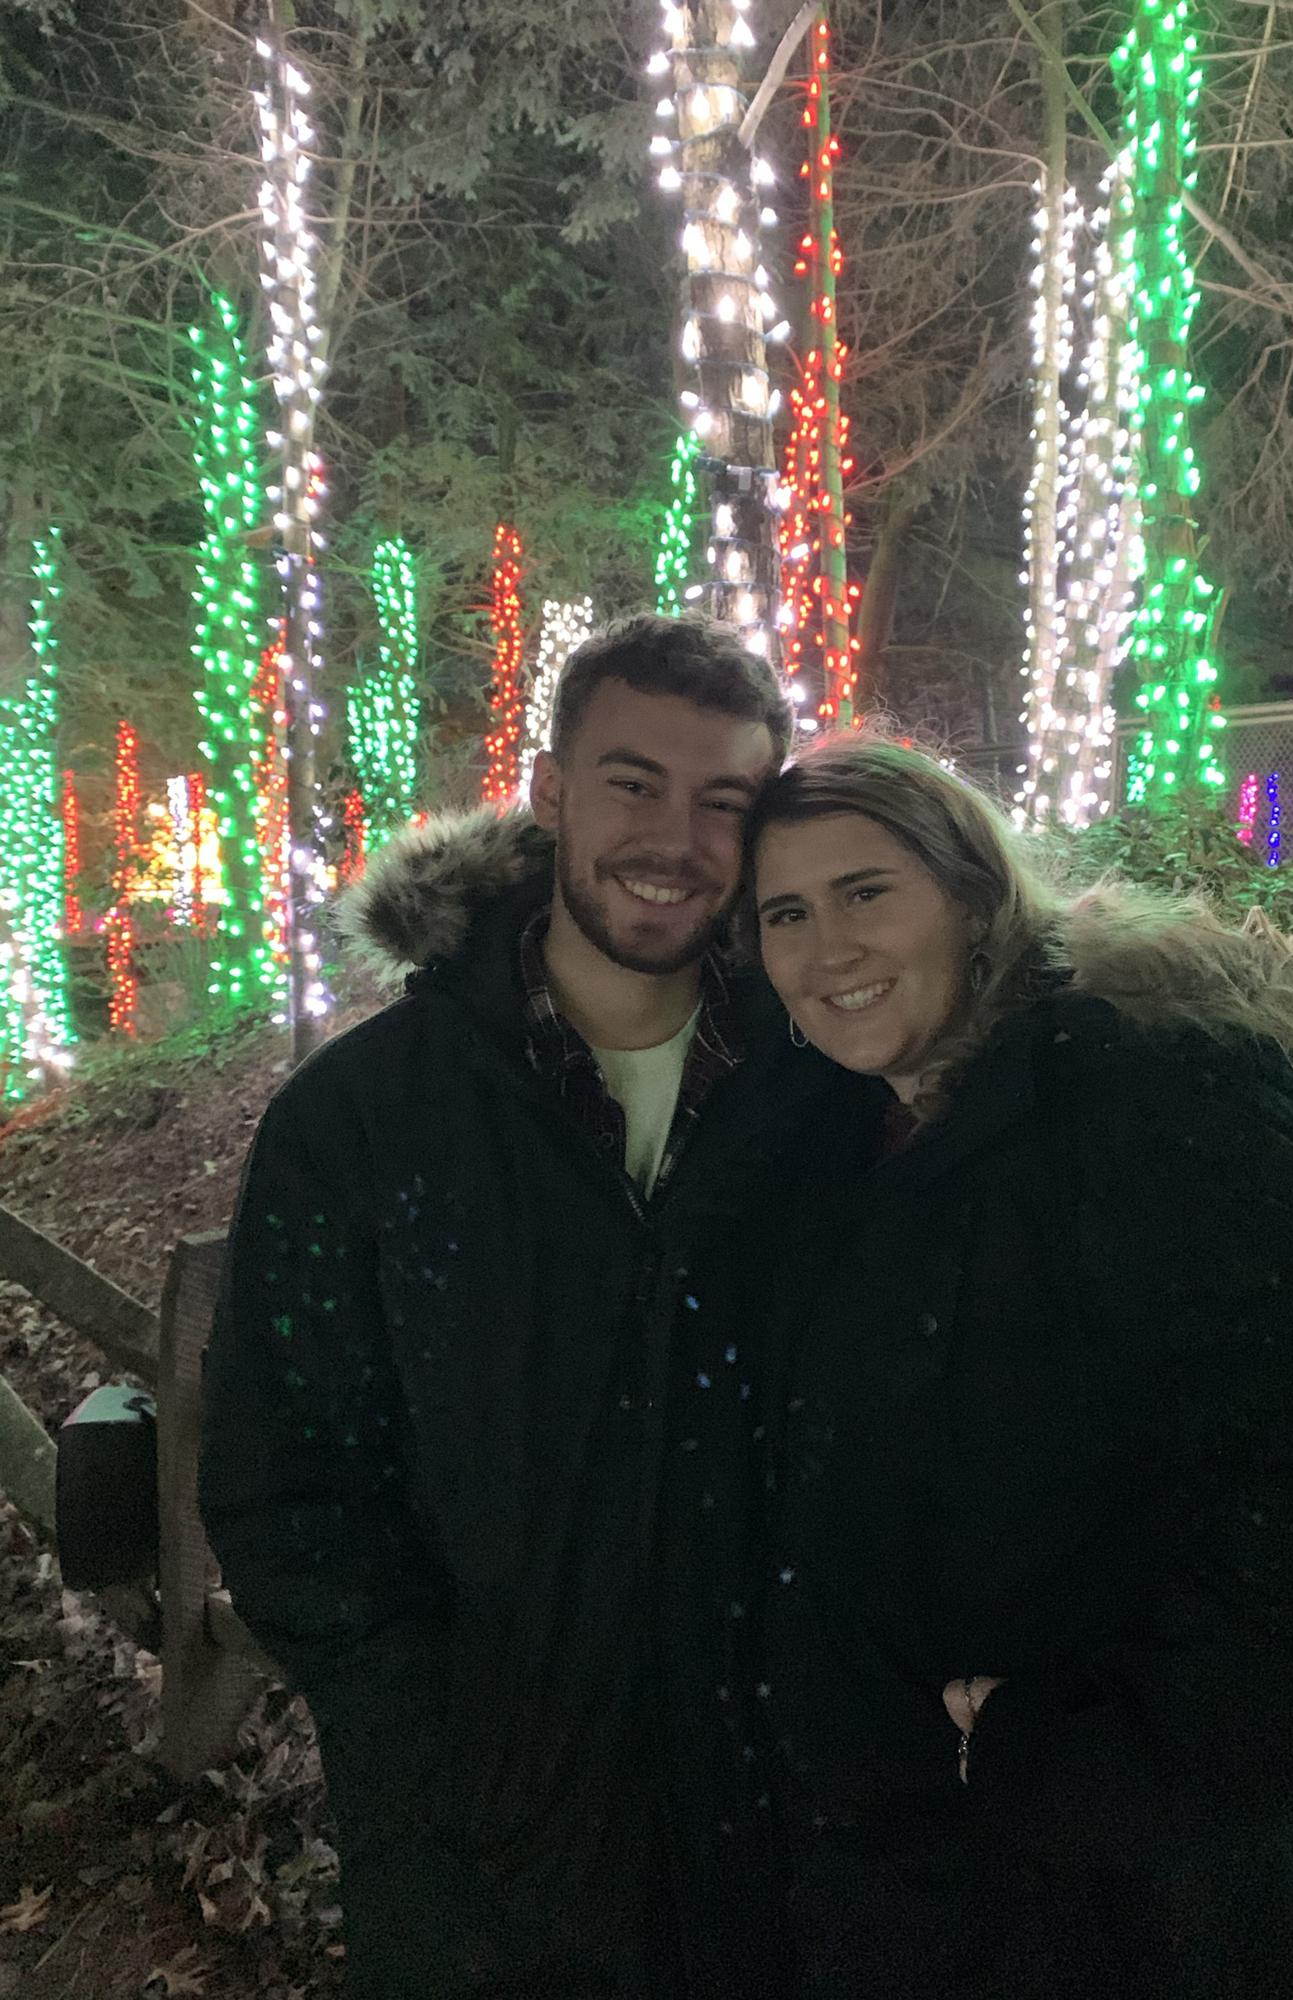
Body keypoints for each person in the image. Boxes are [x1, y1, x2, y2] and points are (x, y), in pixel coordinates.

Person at [665, 736, 1293, 2000]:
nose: (828, 947)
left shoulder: (1147, 1106)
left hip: (1127, 1914)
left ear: (975, 897)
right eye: (786, 912)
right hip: (887, 1895)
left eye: (866, 890)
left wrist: (1089, 1760)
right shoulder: (836, 1140)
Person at [199, 614, 834, 2000]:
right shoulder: (367, 1116)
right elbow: (284, 1475)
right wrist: (425, 1737)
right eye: (632, 782)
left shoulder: (824, 1090)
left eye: (723, 801)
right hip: (477, 1854)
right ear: (549, 790)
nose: (674, 838)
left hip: (789, 1836)